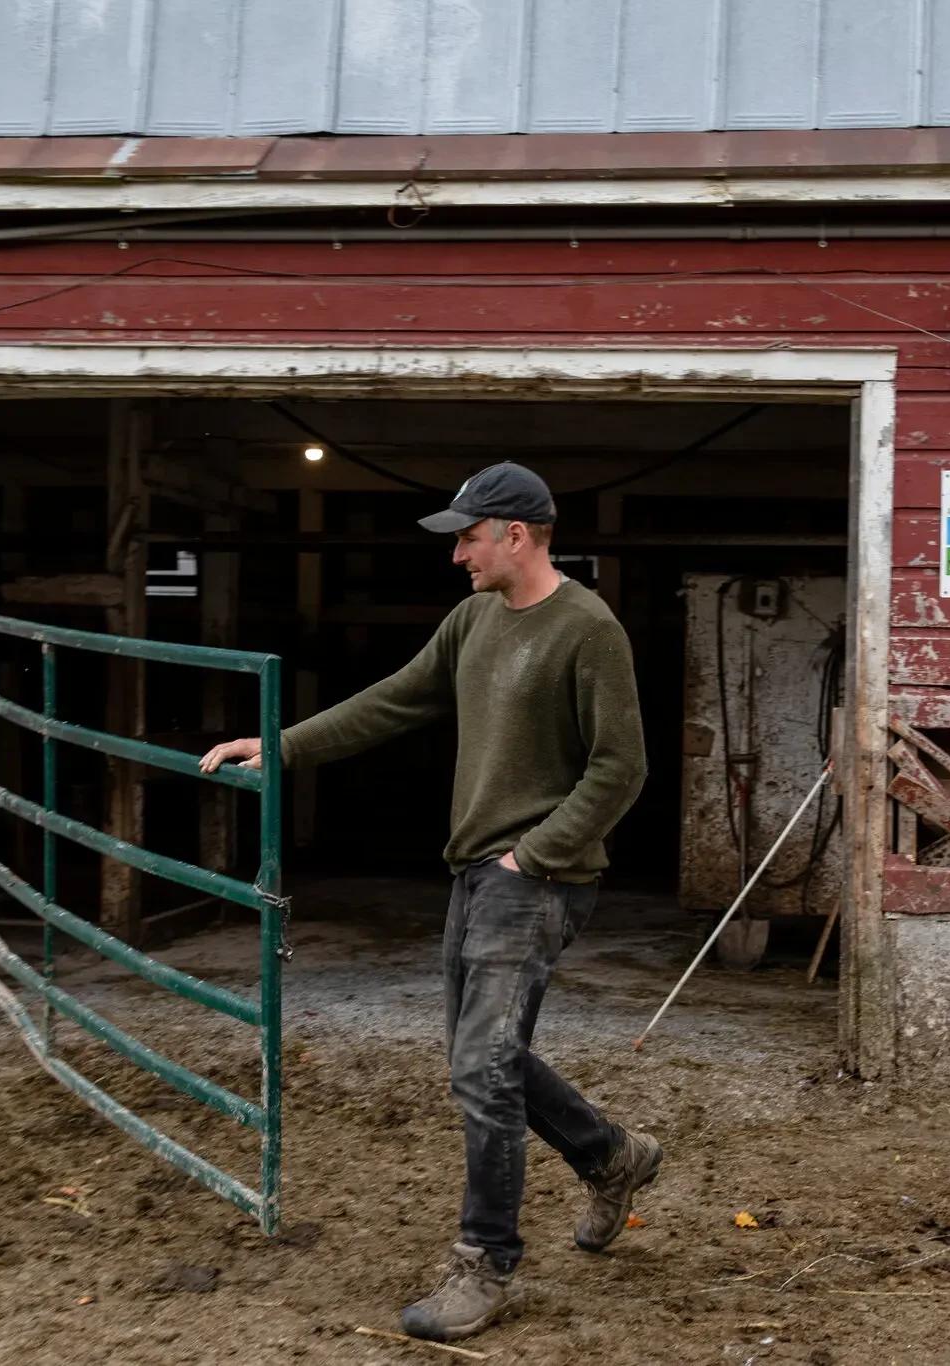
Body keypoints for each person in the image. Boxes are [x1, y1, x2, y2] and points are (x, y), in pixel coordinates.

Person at [199, 461, 660, 1342]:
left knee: (480, 1070)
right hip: (476, 873)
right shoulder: (474, 620)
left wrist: (537, 854)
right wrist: (278, 745)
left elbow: (620, 767)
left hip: (537, 880)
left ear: (516, 535)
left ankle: (484, 1262)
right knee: (480, 1058)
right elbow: (393, 701)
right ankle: (612, 1156)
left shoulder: (587, 630)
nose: (458, 555)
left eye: (469, 537)